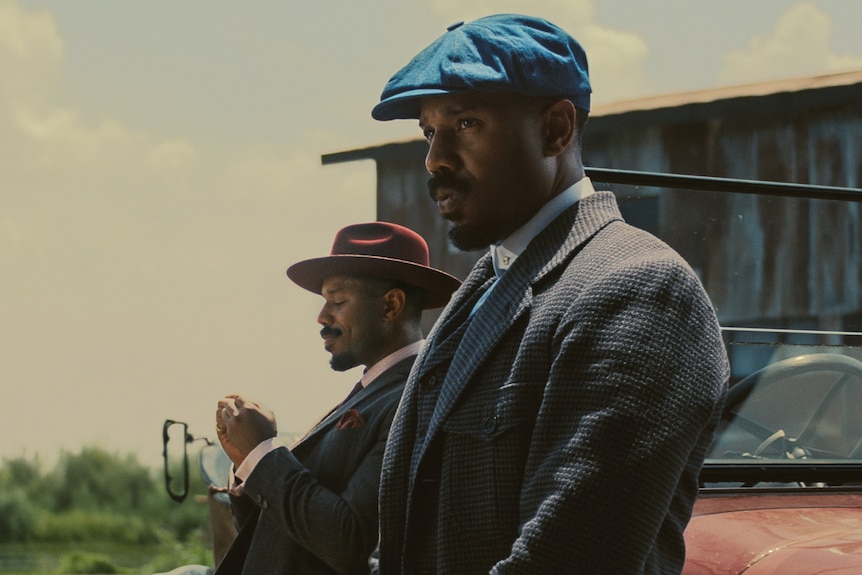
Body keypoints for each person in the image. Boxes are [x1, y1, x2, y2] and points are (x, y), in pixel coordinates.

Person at [369, 14, 729, 574]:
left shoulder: (636, 288)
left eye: (465, 123)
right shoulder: (485, 289)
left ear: (556, 130)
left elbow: (567, 560)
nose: (435, 158)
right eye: (428, 131)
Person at [166, 222, 460, 575]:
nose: (321, 316)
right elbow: (286, 537)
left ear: (391, 306)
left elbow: (348, 541)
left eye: (337, 301)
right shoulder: (372, 393)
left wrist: (264, 456)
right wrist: (248, 464)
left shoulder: (415, 398)